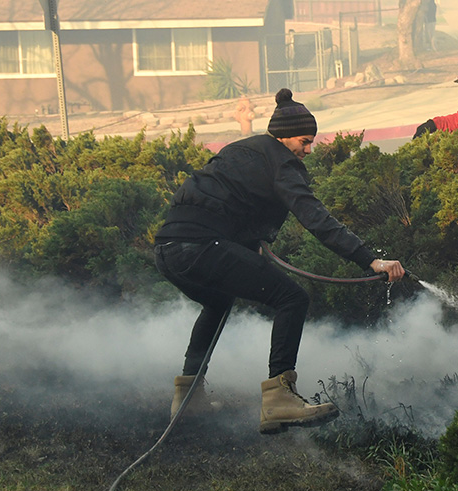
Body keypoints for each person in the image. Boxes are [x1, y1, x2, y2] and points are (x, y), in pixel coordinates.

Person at [154, 88, 405, 434]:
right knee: (292, 298)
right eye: (305, 141)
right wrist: (370, 260)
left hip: (167, 250)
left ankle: (188, 398)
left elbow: (221, 198)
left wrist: (242, 243)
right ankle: (278, 399)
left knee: (217, 302)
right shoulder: (282, 163)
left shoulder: (241, 150)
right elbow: (316, 219)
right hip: (201, 247)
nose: (308, 149)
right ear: (285, 136)